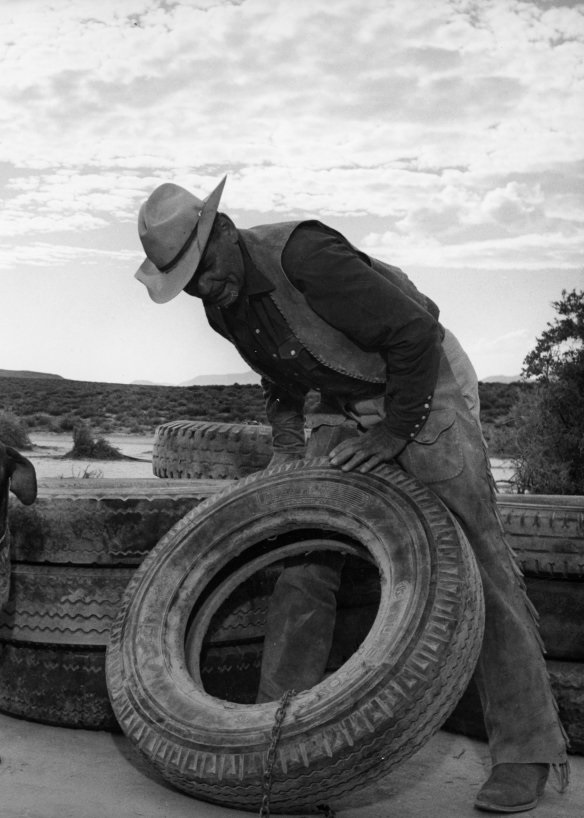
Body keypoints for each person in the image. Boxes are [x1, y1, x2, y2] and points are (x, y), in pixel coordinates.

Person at [133, 176, 569, 814]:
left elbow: (414, 334)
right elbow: (279, 378)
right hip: (340, 399)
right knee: (303, 558)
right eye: (186, 281)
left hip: (422, 384)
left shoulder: (306, 256)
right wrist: (289, 452)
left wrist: (393, 434)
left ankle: (526, 752)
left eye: (202, 268)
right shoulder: (221, 300)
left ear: (223, 231)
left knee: (479, 565)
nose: (201, 286)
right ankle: (278, 754)